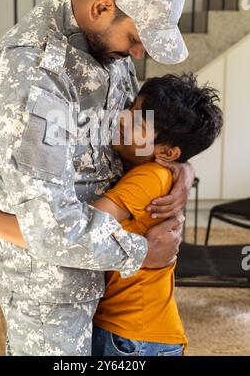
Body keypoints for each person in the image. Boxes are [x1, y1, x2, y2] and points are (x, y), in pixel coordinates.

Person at [0, 0, 194, 356]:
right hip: (53, 292)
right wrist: (144, 251)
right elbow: (49, 224)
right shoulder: (30, 74)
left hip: (112, 286)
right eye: (136, 38)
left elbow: (135, 133)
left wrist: (179, 170)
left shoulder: (107, 45)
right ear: (102, 7)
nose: (139, 53)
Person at [91, 73, 223, 357]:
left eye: (138, 121)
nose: (123, 119)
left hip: (132, 337)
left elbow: (83, 227)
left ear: (167, 152)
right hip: (138, 332)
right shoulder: (155, 170)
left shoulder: (149, 178)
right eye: (130, 108)